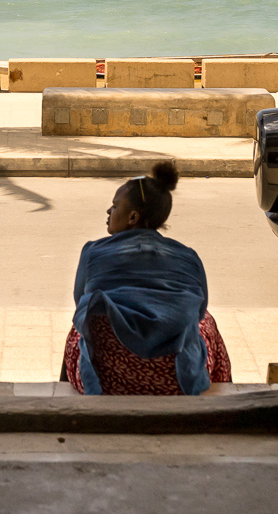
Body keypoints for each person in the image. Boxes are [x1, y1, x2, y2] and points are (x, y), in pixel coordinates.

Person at [62, 161, 232, 395]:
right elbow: (199, 312)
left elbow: (80, 301)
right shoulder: (189, 257)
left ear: (133, 217)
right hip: (176, 383)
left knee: (79, 327)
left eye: (114, 205)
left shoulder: (92, 252)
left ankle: (66, 399)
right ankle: (223, 404)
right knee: (208, 322)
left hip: (105, 383)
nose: (109, 211)